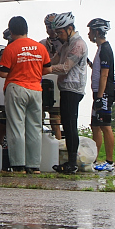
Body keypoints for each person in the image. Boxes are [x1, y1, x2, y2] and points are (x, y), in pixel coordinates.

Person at [0, 16, 51, 173]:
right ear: (26, 29)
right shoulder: (40, 47)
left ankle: (18, 165)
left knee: (16, 126)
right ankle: (34, 166)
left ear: (11, 31)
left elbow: (2, 73)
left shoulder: (11, 48)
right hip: (36, 89)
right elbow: (48, 69)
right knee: (35, 127)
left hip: (17, 88)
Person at [48, 12, 88, 174]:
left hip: (74, 88)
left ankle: (72, 162)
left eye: (60, 32)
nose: (58, 36)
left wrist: (47, 70)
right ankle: (69, 161)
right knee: (65, 122)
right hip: (65, 87)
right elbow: (54, 60)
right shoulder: (65, 44)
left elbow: (65, 67)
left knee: (70, 124)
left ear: (70, 28)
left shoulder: (78, 45)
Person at [88, 18, 115, 172]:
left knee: (105, 126)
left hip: (104, 93)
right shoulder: (100, 48)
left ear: (97, 32)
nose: (88, 34)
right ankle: (94, 159)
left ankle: (110, 162)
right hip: (98, 92)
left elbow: (105, 75)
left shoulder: (105, 48)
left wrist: (100, 97)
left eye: (91, 31)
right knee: (95, 126)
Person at [40, 13, 63, 139]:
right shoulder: (42, 43)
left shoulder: (64, 42)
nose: (50, 30)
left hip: (58, 82)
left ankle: (59, 145)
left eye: (52, 26)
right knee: (39, 115)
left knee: (55, 118)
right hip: (44, 81)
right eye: (47, 26)